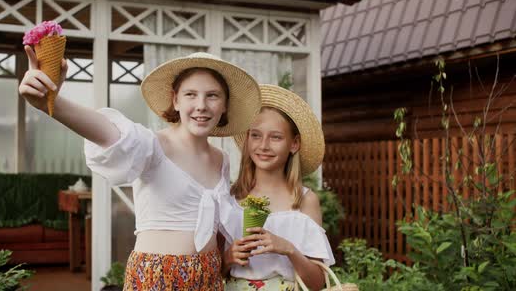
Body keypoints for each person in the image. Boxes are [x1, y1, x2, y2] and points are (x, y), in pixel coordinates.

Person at [18, 48, 261, 290]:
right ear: (175, 100)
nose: (201, 105)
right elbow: (108, 133)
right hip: (158, 276)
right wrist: (53, 103)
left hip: (209, 275)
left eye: (212, 96)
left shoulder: (222, 159)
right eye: (190, 94)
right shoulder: (152, 145)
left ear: (225, 105)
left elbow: (213, 226)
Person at [219, 84, 334, 291]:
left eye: (276, 137)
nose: (263, 146)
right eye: (255, 135)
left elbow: (318, 284)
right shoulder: (229, 198)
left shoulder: (305, 201)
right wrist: (228, 258)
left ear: (294, 144)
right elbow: (212, 272)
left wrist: (289, 249)